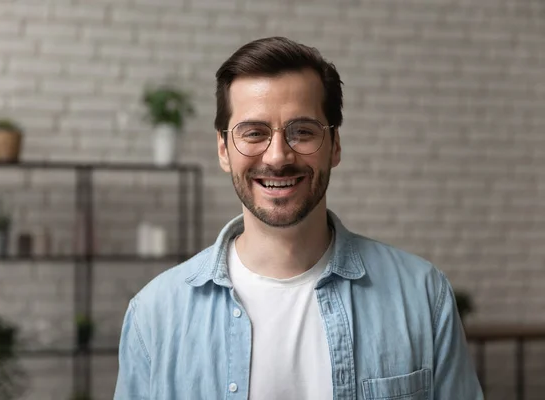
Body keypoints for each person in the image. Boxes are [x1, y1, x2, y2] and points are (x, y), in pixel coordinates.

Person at [114, 36, 483, 400]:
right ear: (223, 149)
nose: (277, 156)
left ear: (335, 145)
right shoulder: (154, 315)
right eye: (254, 133)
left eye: (302, 132)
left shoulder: (421, 296)